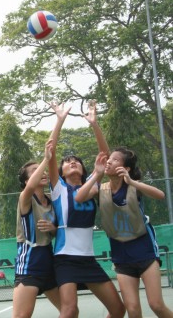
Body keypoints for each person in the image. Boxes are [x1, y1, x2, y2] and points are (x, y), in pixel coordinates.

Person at [48, 101, 125, 318]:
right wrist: (60, 119)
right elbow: (50, 153)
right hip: (65, 258)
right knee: (70, 310)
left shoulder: (92, 185)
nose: (72, 163)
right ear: (61, 172)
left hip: (88, 259)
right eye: (68, 162)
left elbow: (105, 156)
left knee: (118, 310)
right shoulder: (59, 188)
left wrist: (95, 124)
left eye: (76, 161)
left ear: (83, 169)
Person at [76, 147, 173, 318]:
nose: (109, 162)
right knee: (133, 309)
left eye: (114, 160)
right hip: (121, 253)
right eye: (109, 159)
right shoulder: (101, 188)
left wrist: (132, 181)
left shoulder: (134, 187)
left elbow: (160, 195)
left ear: (126, 168)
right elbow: (79, 197)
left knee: (156, 304)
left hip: (144, 249)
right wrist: (97, 174)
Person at [12, 138, 61, 318]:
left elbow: (56, 233)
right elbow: (32, 185)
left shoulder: (51, 201)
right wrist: (46, 159)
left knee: (70, 311)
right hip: (29, 262)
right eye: (34, 171)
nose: (42, 172)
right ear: (26, 181)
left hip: (48, 259)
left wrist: (53, 228)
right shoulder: (25, 198)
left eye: (41, 169)